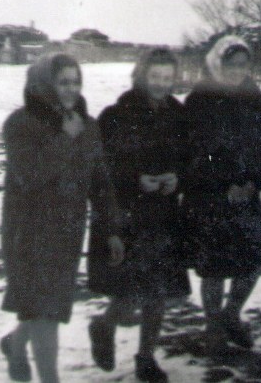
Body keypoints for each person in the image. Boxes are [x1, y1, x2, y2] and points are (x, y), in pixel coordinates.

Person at [0, 53, 123, 383]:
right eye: (62, 82)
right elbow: (30, 175)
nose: (71, 89)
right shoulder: (20, 124)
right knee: (45, 311)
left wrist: (112, 228)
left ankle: (15, 344)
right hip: (28, 233)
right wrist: (65, 139)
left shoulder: (87, 125)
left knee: (44, 307)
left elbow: (100, 181)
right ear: (44, 84)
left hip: (67, 232)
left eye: (76, 82)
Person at [88, 48, 190, 382]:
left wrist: (178, 178)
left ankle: (146, 357)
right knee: (129, 291)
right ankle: (104, 325)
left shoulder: (178, 114)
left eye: (167, 77)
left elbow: (190, 159)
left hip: (164, 214)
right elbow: (101, 170)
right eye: (155, 76)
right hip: (128, 214)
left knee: (158, 292)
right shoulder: (116, 115)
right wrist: (136, 180)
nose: (161, 83)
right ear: (141, 75)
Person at [183, 35, 261, 355]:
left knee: (255, 255)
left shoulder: (252, 97)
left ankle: (231, 314)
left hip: (246, 194)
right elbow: (195, 152)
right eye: (230, 64)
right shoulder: (199, 100)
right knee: (215, 264)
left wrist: (254, 181)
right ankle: (213, 327)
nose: (237, 70)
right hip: (209, 196)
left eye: (243, 64)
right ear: (216, 63)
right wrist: (224, 185)